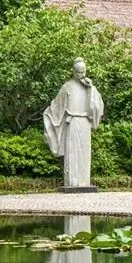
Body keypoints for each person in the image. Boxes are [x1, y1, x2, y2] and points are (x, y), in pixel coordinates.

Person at [42, 58, 104, 190]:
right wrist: (48, 114)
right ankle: (72, 183)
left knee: (84, 154)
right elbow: (57, 106)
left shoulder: (90, 87)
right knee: (73, 153)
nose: (81, 75)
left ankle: (84, 182)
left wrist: (91, 89)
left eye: (83, 72)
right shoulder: (67, 87)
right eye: (78, 73)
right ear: (73, 72)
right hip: (73, 122)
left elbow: (97, 105)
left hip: (85, 122)